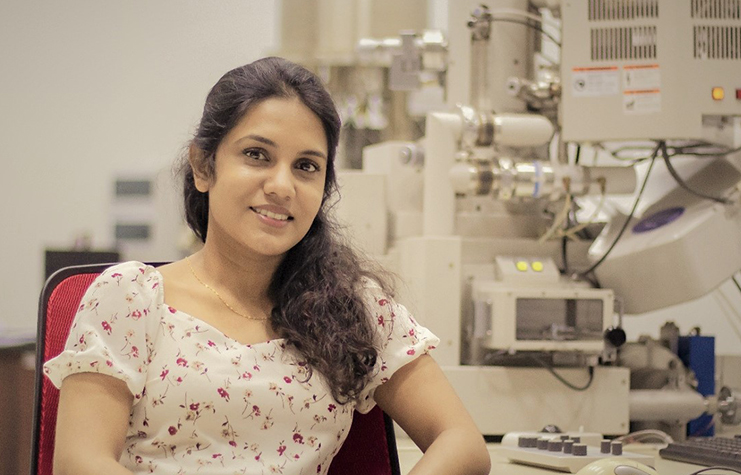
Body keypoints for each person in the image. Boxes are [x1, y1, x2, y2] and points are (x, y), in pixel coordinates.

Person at [44, 57, 491, 475]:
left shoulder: (351, 310)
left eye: (306, 166)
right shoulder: (131, 298)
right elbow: (80, 461)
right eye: (257, 154)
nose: (281, 185)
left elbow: (463, 442)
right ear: (203, 166)